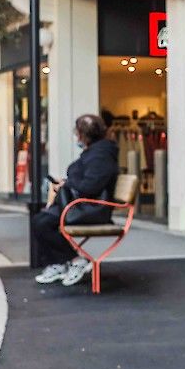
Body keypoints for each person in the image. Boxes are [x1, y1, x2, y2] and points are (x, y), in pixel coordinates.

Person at [31, 114, 119, 287]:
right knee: (41, 220)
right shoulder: (97, 152)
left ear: (82, 135)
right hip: (82, 205)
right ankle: (60, 262)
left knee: (43, 222)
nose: (77, 138)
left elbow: (90, 187)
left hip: (91, 209)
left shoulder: (100, 156)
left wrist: (68, 184)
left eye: (77, 134)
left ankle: (75, 261)